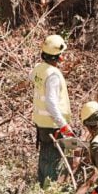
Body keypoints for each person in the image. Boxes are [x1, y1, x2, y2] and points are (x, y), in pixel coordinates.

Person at [32, 34, 74, 186]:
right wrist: (63, 124)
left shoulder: (38, 69)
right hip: (53, 124)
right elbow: (51, 102)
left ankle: (41, 188)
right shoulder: (53, 75)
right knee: (54, 161)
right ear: (58, 56)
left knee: (45, 156)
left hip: (41, 123)